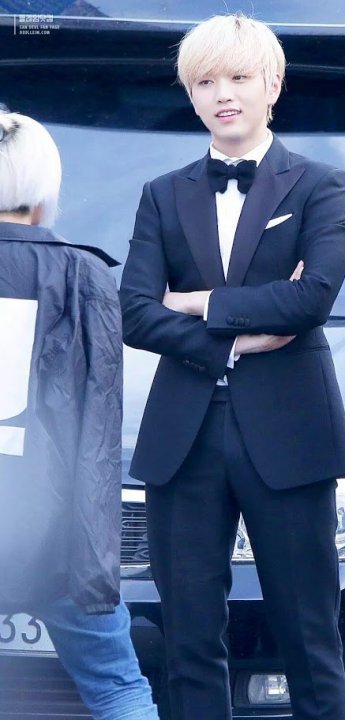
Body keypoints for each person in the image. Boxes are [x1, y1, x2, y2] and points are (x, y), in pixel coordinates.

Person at [120, 13, 345, 720]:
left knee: (311, 639)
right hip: (182, 436)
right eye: (205, 82)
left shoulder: (322, 183)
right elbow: (134, 312)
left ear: (272, 85)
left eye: (239, 77)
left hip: (291, 433)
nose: (223, 94)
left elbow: (311, 300)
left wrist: (199, 303)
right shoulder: (162, 192)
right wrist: (233, 339)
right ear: (191, 95)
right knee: (189, 643)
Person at [0, 109, 159, 720]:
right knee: (118, 688)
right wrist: (94, 560)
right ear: (45, 192)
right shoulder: (84, 274)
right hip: (57, 535)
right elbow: (98, 428)